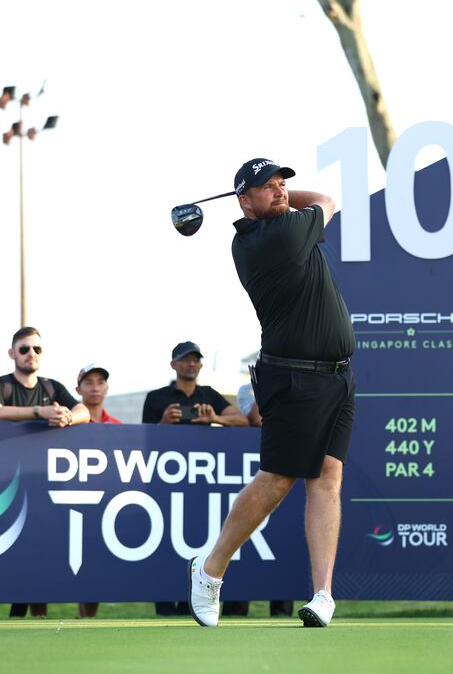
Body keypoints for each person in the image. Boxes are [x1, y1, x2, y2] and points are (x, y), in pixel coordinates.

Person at [188, 158, 354, 629]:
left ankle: (323, 595)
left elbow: (312, 204)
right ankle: (210, 569)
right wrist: (280, 204)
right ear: (244, 201)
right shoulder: (267, 239)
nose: (281, 191)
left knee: (327, 476)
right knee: (278, 479)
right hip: (294, 376)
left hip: (337, 376)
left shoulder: (283, 224)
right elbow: (326, 201)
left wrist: (272, 197)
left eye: (283, 184)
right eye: (268, 187)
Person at [0, 326, 89, 618]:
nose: (31, 354)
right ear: (12, 353)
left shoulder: (52, 387)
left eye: (37, 349)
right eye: (25, 348)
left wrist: (66, 417)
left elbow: (84, 412)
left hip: (40, 485)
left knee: (37, 556)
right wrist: (40, 413)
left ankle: (32, 620)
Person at [144, 341, 247, 616]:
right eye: (185, 359)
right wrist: (164, 424)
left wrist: (215, 417)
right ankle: (167, 607)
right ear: (173, 364)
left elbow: (243, 421)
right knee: (166, 545)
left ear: (200, 365)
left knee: (205, 537)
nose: (191, 364)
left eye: (195, 360)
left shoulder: (209, 395)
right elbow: (142, 438)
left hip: (203, 483)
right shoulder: (156, 397)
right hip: (166, 484)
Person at [220, 382, 295, 619]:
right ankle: (234, 609)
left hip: (288, 463)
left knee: (283, 541)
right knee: (241, 541)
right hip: (256, 468)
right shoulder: (247, 389)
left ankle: (282, 611)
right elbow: (257, 419)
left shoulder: (299, 385)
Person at [75, 363, 120, 619]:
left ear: (106, 387)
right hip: (72, 501)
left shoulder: (118, 426)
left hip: (103, 504)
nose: (95, 388)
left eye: (100, 382)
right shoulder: (68, 422)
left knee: (94, 564)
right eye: (88, 382)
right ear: (78, 388)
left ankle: (87, 618)